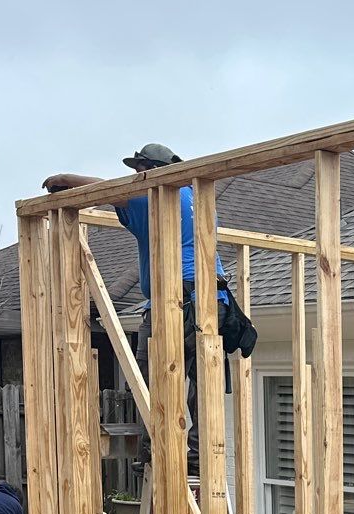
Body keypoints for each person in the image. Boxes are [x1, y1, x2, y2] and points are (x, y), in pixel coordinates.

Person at [42, 146, 255, 470]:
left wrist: (63, 179)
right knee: (201, 383)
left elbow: (107, 188)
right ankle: (198, 459)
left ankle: (154, 453)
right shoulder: (195, 196)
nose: (134, 177)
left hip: (176, 303)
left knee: (152, 380)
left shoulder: (152, 196)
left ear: (149, 170)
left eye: (138, 171)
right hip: (215, 302)